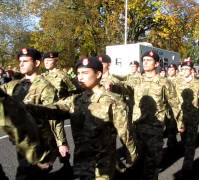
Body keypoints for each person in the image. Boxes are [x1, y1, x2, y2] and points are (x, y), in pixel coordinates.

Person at [28, 56, 138, 179]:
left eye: (85, 73)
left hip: (102, 165)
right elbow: (51, 109)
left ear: (98, 74)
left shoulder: (113, 102)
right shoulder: (76, 100)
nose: (80, 77)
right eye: (78, 73)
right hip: (81, 162)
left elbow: (126, 135)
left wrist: (132, 161)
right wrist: (22, 107)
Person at [0, 48, 61, 179]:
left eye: (25, 61)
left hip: (39, 143)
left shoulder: (46, 87)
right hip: (22, 141)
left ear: (37, 63)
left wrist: (61, 144)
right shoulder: (14, 85)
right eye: (20, 61)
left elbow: (54, 117)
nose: (21, 64)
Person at [129, 50, 181, 180]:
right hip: (137, 128)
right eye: (144, 60)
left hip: (154, 130)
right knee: (138, 163)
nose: (145, 62)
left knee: (152, 165)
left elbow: (174, 103)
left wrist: (180, 122)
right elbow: (122, 86)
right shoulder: (136, 80)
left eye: (149, 60)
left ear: (157, 63)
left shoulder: (164, 82)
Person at [173, 60, 199, 174]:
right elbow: (174, 100)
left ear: (191, 70)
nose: (184, 71)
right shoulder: (177, 83)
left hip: (193, 118)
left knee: (190, 143)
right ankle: (187, 160)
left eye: (187, 69)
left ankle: (187, 167)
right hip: (181, 118)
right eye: (182, 69)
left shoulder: (197, 84)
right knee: (183, 140)